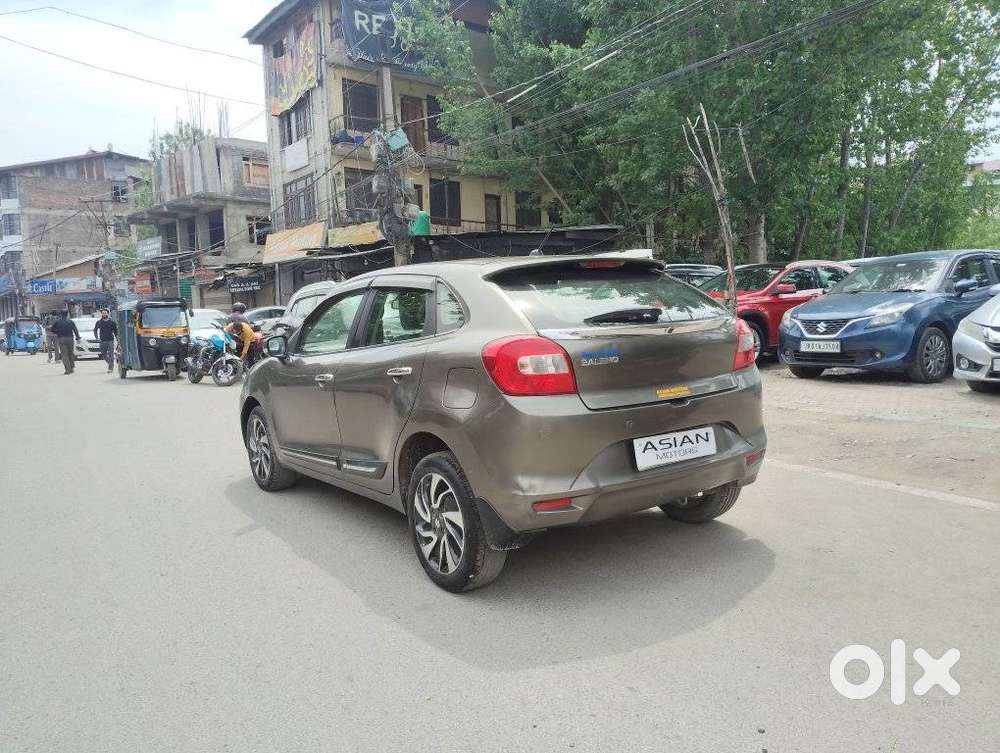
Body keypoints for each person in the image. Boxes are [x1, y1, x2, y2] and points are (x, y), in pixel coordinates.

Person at [93, 308, 118, 372]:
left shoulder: (112, 322)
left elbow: (115, 332)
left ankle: (110, 368)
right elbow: (95, 330)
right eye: (103, 313)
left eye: (105, 313)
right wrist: (96, 337)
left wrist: (118, 339)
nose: (104, 314)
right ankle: (110, 363)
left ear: (108, 313)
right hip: (102, 340)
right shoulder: (99, 322)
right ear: (101, 314)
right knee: (103, 353)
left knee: (111, 354)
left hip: (110, 340)